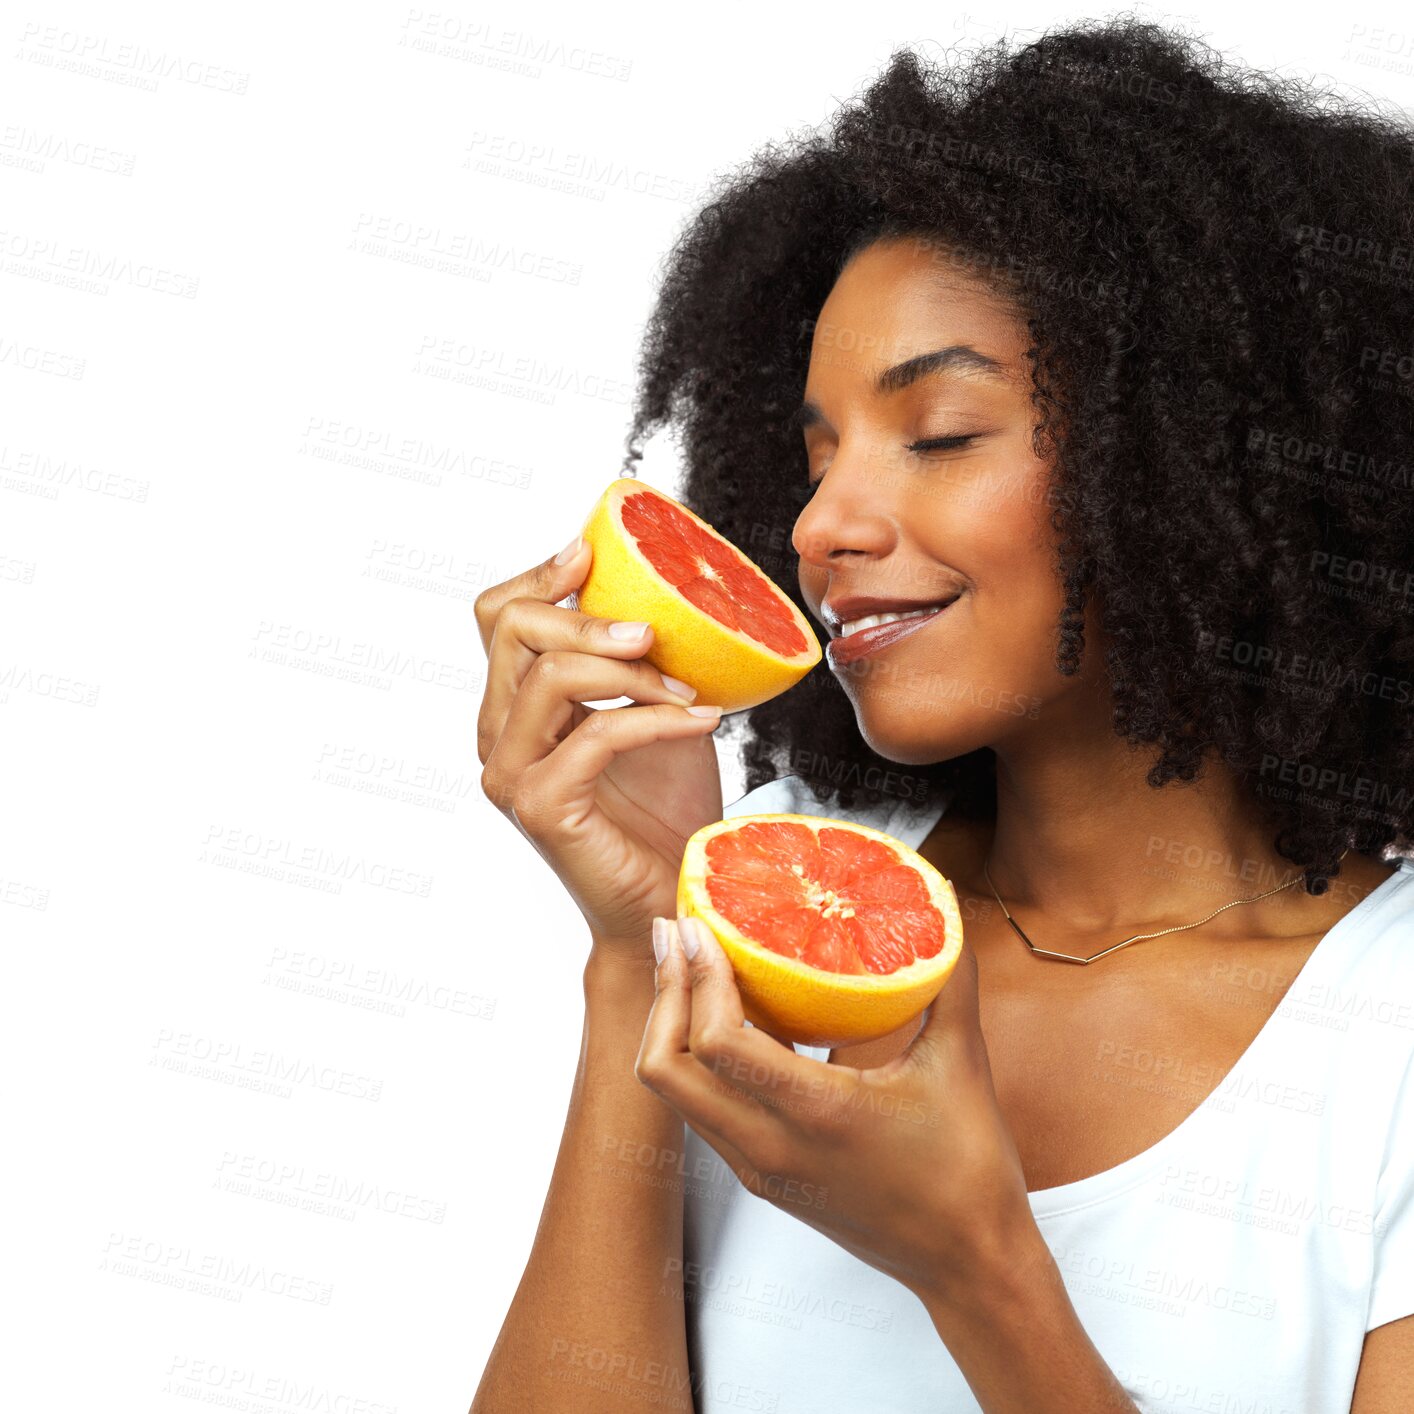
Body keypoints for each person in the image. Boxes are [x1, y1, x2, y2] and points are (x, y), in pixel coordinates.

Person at [470, 16, 1414, 1412]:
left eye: (940, 435)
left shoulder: (1383, 1039)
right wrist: (638, 949)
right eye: (812, 453)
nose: (818, 523)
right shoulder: (780, 917)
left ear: (1196, 455)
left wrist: (973, 1262)